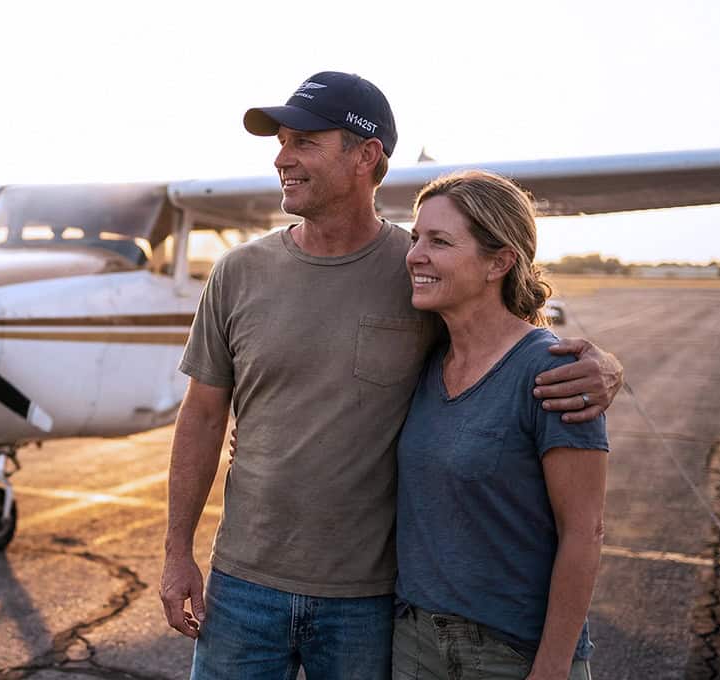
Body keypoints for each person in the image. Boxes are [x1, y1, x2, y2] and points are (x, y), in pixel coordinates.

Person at [159, 71, 622, 679]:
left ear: (365, 156)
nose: (281, 158)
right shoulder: (238, 272)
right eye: (281, 141)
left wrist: (604, 367)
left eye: (303, 142)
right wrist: (176, 555)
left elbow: (505, 335)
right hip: (244, 584)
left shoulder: (421, 270)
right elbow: (200, 417)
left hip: (370, 599)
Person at [394, 171, 608, 679]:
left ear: (499, 262)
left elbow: (584, 531)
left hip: (513, 655)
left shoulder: (551, 370)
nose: (415, 255)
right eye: (415, 237)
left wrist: (553, 667)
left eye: (439, 241)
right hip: (416, 646)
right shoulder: (424, 360)